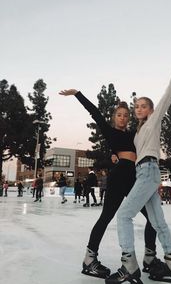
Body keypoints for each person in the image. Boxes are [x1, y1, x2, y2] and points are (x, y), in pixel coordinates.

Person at [59, 89, 162, 279]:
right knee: (106, 217)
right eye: (119, 115)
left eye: (125, 116)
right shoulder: (110, 131)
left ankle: (149, 258)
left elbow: (149, 135)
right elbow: (94, 112)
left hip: (136, 177)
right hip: (119, 176)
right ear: (115, 117)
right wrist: (78, 94)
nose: (122, 118)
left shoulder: (136, 134)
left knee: (153, 218)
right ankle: (89, 259)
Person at [106, 61, 171, 284]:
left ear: (151, 110)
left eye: (143, 106)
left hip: (148, 171)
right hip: (145, 172)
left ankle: (129, 266)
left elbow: (167, 98)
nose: (139, 109)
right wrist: (116, 155)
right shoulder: (139, 132)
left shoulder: (153, 121)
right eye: (137, 106)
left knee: (124, 215)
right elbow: (133, 150)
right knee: (157, 222)